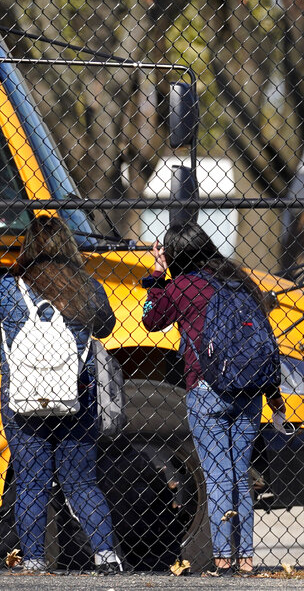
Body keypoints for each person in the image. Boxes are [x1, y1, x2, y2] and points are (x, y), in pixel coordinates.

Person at [0, 215, 121, 573]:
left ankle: (35, 561)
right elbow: (106, 326)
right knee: (82, 482)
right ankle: (107, 556)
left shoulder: (9, 289)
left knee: (30, 482)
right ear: (70, 247)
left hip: (23, 400)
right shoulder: (87, 287)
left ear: (27, 249)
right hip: (77, 396)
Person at [142, 221, 287, 576]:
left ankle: (223, 558)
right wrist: (274, 397)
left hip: (206, 389)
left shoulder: (181, 287)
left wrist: (157, 274)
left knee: (218, 476)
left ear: (175, 254)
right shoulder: (240, 282)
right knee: (240, 476)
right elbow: (263, 341)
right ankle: (247, 558)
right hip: (250, 391)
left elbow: (150, 320)